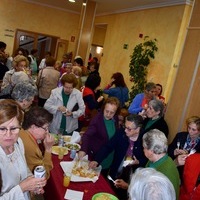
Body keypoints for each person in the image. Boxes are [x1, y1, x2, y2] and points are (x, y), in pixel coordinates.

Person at [89, 114, 147, 200]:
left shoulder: (145, 138)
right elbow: (108, 147)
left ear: (138, 129)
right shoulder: (120, 133)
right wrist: (97, 160)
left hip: (133, 178)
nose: (125, 130)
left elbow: (148, 160)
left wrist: (138, 162)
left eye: (129, 129)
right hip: (116, 172)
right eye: (125, 126)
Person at [0, 99, 46, 200]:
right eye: (2, 129)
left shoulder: (18, 142)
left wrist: (32, 183)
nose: (8, 135)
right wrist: (23, 188)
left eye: (13, 128)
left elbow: (24, 169)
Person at [78, 97, 120, 173]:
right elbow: (87, 135)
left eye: (112, 112)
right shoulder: (97, 120)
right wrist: (83, 150)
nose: (108, 114)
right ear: (103, 108)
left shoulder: (115, 119)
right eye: (107, 111)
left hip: (109, 155)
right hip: (97, 155)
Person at [143, 129, 180, 199]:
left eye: (144, 148)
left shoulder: (164, 174)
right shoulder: (153, 160)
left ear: (151, 151)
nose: (143, 150)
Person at [19, 106, 54, 179]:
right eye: (45, 128)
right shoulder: (30, 146)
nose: (47, 132)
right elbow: (43, 176)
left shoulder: (22, 132)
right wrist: (48, 149)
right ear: (33, 127)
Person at [168, 116, 200, 180]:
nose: (190, 131)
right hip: (173, 169)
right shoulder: (180, 135)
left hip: (188, 176)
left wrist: (188, 155)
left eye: (193, 129)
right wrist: (174, 152)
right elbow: (168, 150)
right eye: (189, 128)